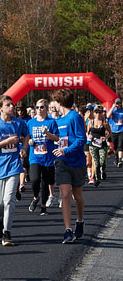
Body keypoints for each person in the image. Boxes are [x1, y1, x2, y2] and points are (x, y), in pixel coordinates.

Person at [0, 95, 29, 246]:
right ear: (0, 108)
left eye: (12, 105)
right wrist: (7, 141)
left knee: (9, 200)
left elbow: (26, 135)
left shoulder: (19, 122)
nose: (12, 107)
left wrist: (24, 148)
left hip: (14, 166)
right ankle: (0, 219)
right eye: (8, 105)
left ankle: (7, 232)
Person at [51, 89, 87, 244]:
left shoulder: (75, 117)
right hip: (62, 163)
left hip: (76, 161)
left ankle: (80, 220)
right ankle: (68, 230)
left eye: (54, 102)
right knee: (64, 195)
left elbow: (81, 139)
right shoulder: (57, 121)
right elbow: (58, 139)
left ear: (59, 102)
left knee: (76, 196)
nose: (53, 105)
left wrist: (66, 150)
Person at [26, 99, 59, 216]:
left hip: (48, 157)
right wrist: (29, 142)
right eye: (37, 107)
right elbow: (26, 137)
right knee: (35, 179)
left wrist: (47, 133)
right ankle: (35, 198)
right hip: (34, 157)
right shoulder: (30, 123)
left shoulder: (51, 122)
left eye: (41, 107)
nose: (39, 110)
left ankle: (43, 206)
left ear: (46, 109)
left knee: (46, 182)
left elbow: (56, 138)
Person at [86, 106, 110, 187]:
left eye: (100, 112)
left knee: (102, 161)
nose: (98, 114)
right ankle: (96, 179)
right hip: (93, 145)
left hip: (102, 145)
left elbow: (110, 133)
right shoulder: (91, 122)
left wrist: (105, 137)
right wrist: (88, 136)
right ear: (94, 113)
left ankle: (102, 169)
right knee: (95, 162)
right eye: (96, 112)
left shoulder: (105, 123)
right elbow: (87, 132)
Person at [107, 98, 123, 167]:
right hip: (114, 130)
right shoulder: (113, 109)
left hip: (121, 130)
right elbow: (107, 116)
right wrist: (113, 107)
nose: (118, 104)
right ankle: (116, 156)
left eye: (119, 103)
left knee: (120, 145)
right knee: (115, 146)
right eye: (117, 103)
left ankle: (120, 160)